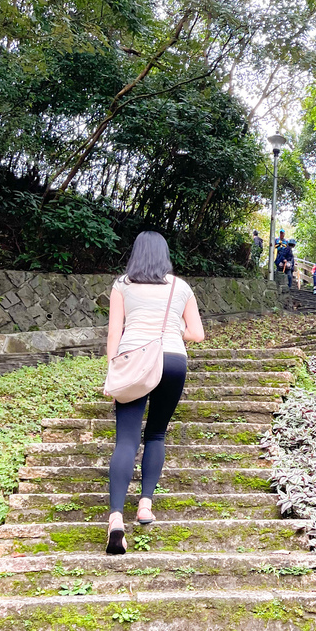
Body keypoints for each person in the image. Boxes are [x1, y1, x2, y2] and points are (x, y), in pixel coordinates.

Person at [105, 231, 205, 555]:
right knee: (157, 435)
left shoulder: (122, 285)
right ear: (164, 255)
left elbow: (114, 334)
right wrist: (173, 329)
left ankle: (116, 519)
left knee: (126, 439)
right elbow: (197, 334)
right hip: (173, 360)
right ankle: (145, 505)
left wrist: (112, 369)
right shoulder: (180, 286)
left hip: (134, 358)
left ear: (136, 253)